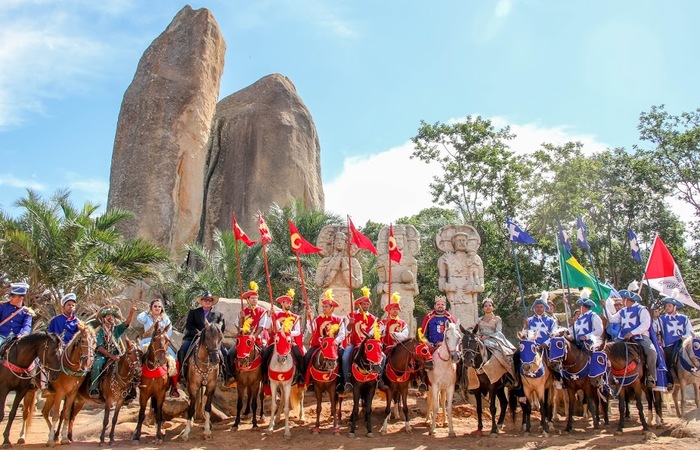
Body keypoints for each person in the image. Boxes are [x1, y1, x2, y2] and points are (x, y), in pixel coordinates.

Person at [605, 286, 657, 388]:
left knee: (652, 351)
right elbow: (612, 319)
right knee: (607, 350)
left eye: (624, 299)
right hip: (623, 338)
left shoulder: (642, 310)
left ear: (628, 300)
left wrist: (633, 333)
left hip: (640, 337)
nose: (622, 301)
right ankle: (609, 376)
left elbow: (646, 324)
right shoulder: (623, 311)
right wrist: (605, 307)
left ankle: (651, 375)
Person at [437, 230, 484, 330]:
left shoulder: (475, 259)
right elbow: (441, 284)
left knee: (471, 330)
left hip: (470, 302)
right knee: (455, 328)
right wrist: (447, 286)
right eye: (459, 240)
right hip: (454, 300)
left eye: (464, 240)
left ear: (468, 243)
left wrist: (474, 288)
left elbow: (481, 286)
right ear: (453, 243)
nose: (462, 242)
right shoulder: (444, 258)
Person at [176, 291, 227, 383]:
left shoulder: (219, 315)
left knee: (225, 352)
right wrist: (198, 332)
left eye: (210, 300)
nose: (208, 301)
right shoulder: (193, 312)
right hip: (195, 337)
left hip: (212, 339)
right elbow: (189, 325)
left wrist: (215, 336)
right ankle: (182, 373)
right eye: (205, 300)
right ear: (201, 301)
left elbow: (222, 328)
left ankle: (226, 374)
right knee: (183, 349)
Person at [89, 304, 137, 398]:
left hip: (117, 354)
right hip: (102, 355)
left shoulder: (116, 329)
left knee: (131, 363)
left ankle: (130, 390)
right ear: (103, 318)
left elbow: (126, 323)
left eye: (112, 316)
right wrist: (111, 356)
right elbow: (99, 347)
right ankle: (93, 388)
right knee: (97, 364)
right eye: (108, 315)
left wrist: (131, 313)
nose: (111, 317)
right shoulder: (99, 330)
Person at [260, 290, 305, 388]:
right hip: (276, 342)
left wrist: (288, 333)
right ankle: (265, 378)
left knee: (300, 355)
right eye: (287, 302)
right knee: (265, 356)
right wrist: (269, 316)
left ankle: (301, 376)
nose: (289, 304)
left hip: (289, 342)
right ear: (282, 303)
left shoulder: (294, 317)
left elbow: (297, 331)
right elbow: (267, 327)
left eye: (290, 303)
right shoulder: (275, 315)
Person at [229, 281, 270, 384]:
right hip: (243, 341)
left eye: (256, 298)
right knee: (231, 353)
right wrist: (241, 318)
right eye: (252, 298)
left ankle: (266, 378)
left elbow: (262, 326)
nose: (255, 300)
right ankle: (231, 375)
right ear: (247, 300)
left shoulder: (262, 311)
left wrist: (253, 337)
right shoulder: (243, 312)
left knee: (266, 354)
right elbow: (238, 327)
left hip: (258, 340)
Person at [303, 289, 346, 390]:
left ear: (331, 308)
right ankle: (306, 380)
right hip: (318, 346)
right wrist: (310, 319)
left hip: (333, 348)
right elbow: (311, 330)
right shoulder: (318, 319)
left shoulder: (338, 320)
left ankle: (342, 382)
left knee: (344, 358)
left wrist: (335, 342)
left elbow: (342, 334)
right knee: (307, 357)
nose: (324, 308)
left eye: (326, 306)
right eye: (323, 306)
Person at [342, 287, 382, 393]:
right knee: (345, 358)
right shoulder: (352, 316)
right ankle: (347, 381)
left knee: (383, 356)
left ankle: (379, 379)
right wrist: (351, 323)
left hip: (369, 345)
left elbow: (375, 332)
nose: (365, 306)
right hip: (354, 343)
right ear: (359, 305)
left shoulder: (373, 319)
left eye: (367, 304)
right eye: (363, 304)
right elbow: (347, 330)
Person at [137, 298, 179, 397]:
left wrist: (163, 339)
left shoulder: (165, 318)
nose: (157, 308)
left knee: (174, 360)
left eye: (159, 306)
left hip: (161, 343)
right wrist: (148, 311)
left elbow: (169, 331)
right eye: (155, 306)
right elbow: (139, 318)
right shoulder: (146, 317)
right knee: (137, 359)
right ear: (151, 307)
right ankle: (134, 383)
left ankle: (174, 386)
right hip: (147, 342)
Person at [315, 230, 363, 318]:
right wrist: (334, 267)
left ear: (346, 243)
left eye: (342, 240)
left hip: (346, 299)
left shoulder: (353, 262)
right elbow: (319, 282)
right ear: (333, 242)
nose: (340, 241)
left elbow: (357, 283)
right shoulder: (325, 261)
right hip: (327, 299)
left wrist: (345, 267)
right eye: (337, 239)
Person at [474, 298, 516, 383]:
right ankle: (468, 379)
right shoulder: (479, 319)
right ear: (483, 308)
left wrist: (487, 336)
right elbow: (476, 330)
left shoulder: (497, 319)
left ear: (493, 307)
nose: (488, 307)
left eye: (490, 305)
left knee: (504, 353)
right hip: (480, 339)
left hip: (494, 339)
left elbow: (498, 332)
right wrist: (479, 336)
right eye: (486, 306)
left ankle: (508, 375)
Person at [658, 292, 693, 387]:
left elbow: (689, 331)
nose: (667, 307)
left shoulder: (684, 318)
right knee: (667, 359)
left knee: (695, 354)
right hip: (669, 345)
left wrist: (685, 337)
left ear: (675, 307)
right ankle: (669, 381)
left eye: (669, 306)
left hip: (682, 343)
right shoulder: (662, 319)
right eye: (666, 306)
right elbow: (658, 330)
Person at [0, 282, 34, 352]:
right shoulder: (2, 307)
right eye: (11, 296)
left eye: (14, 297)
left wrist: (24, 334)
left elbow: (27, 325)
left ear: (21, 298)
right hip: (2, 334)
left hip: (18, 336)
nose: (11, 299)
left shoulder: (27, 311)